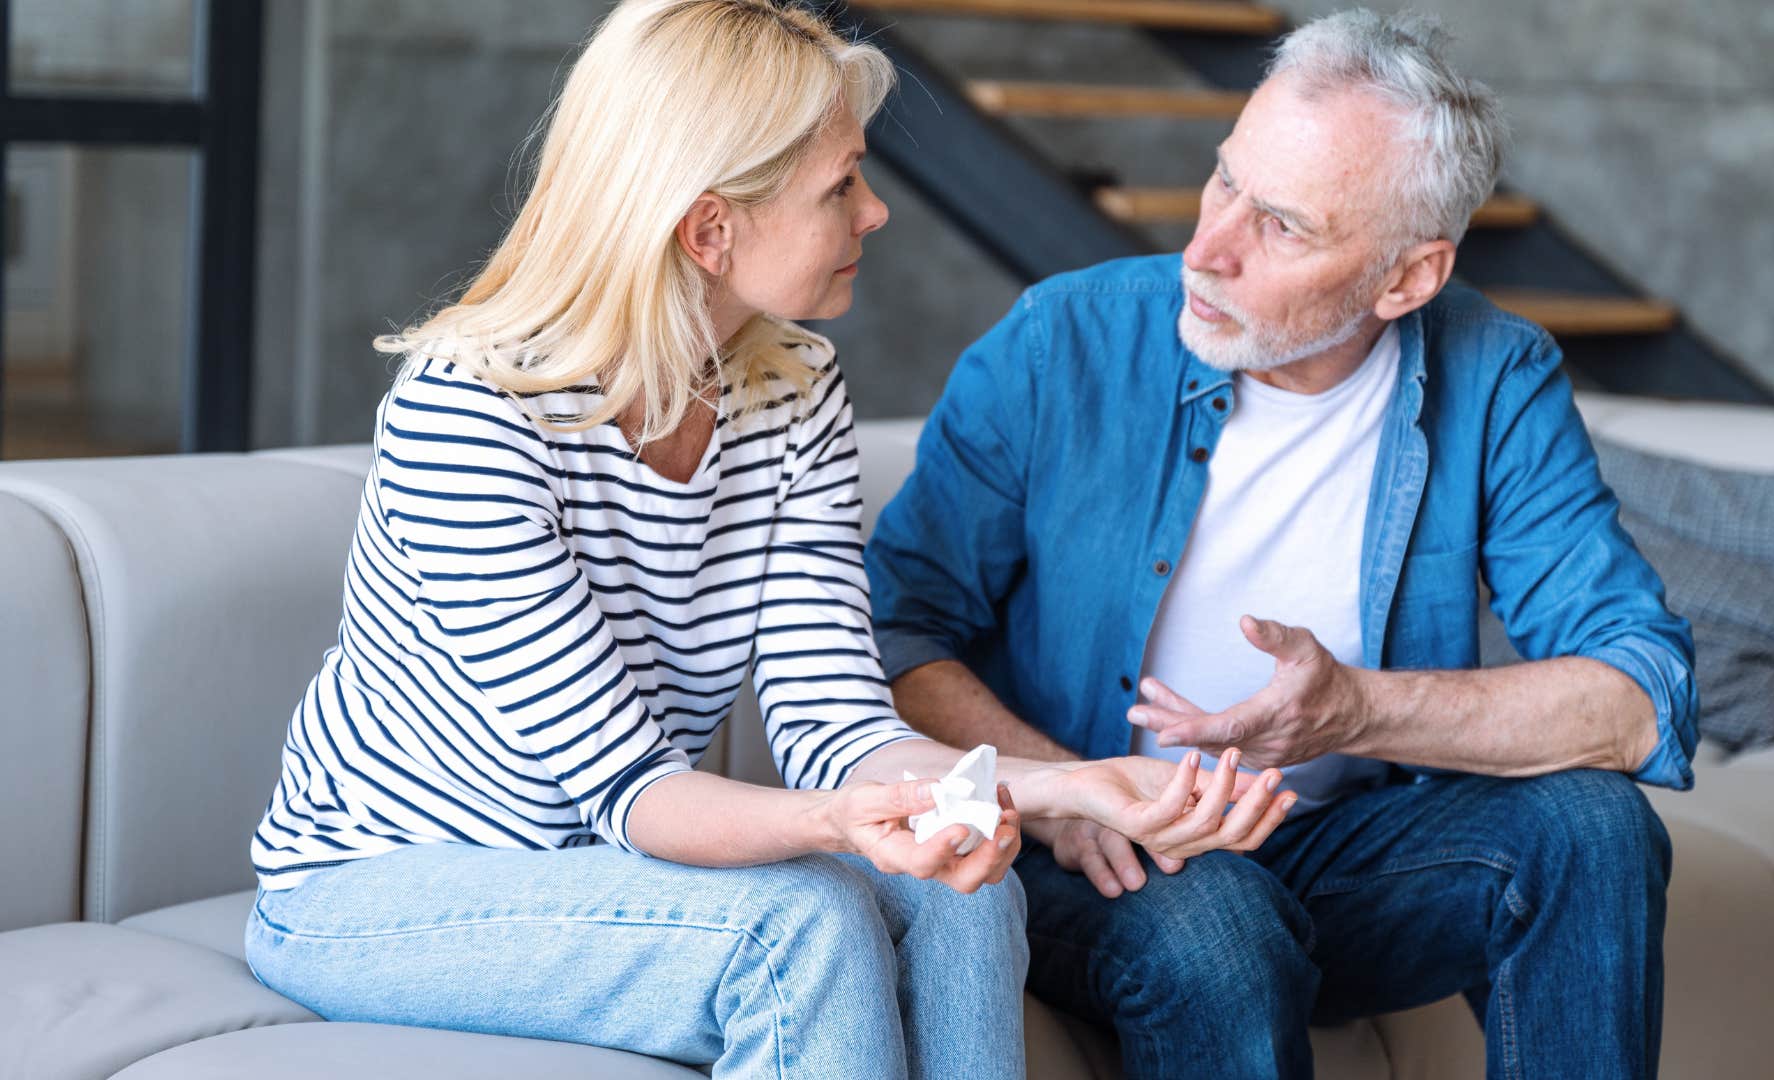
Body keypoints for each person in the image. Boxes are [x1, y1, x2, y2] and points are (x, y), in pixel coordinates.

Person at [243, 3, 1290, 1077]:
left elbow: (837, 723)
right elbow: (631, 793)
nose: (876, 212)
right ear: (709, 230)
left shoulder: (791, 393)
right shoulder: (469, 415)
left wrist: (1069, 787)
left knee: (963, 877)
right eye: (841, 186)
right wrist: (847, 825)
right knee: (797, 926)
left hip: (607, 865)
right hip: (377, 886)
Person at [866, 9, 1699, 1079]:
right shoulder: (1058, 340)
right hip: (1080, 851)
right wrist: (1076, 794)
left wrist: (1356, 708)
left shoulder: (1497, 376)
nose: (1206, 251)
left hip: (1337, 853)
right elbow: (891, 632)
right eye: (1224, 182)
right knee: (1213, 925)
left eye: (1284, 227)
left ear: (1407, 279)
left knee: (1593, 829)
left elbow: (1638, 694)